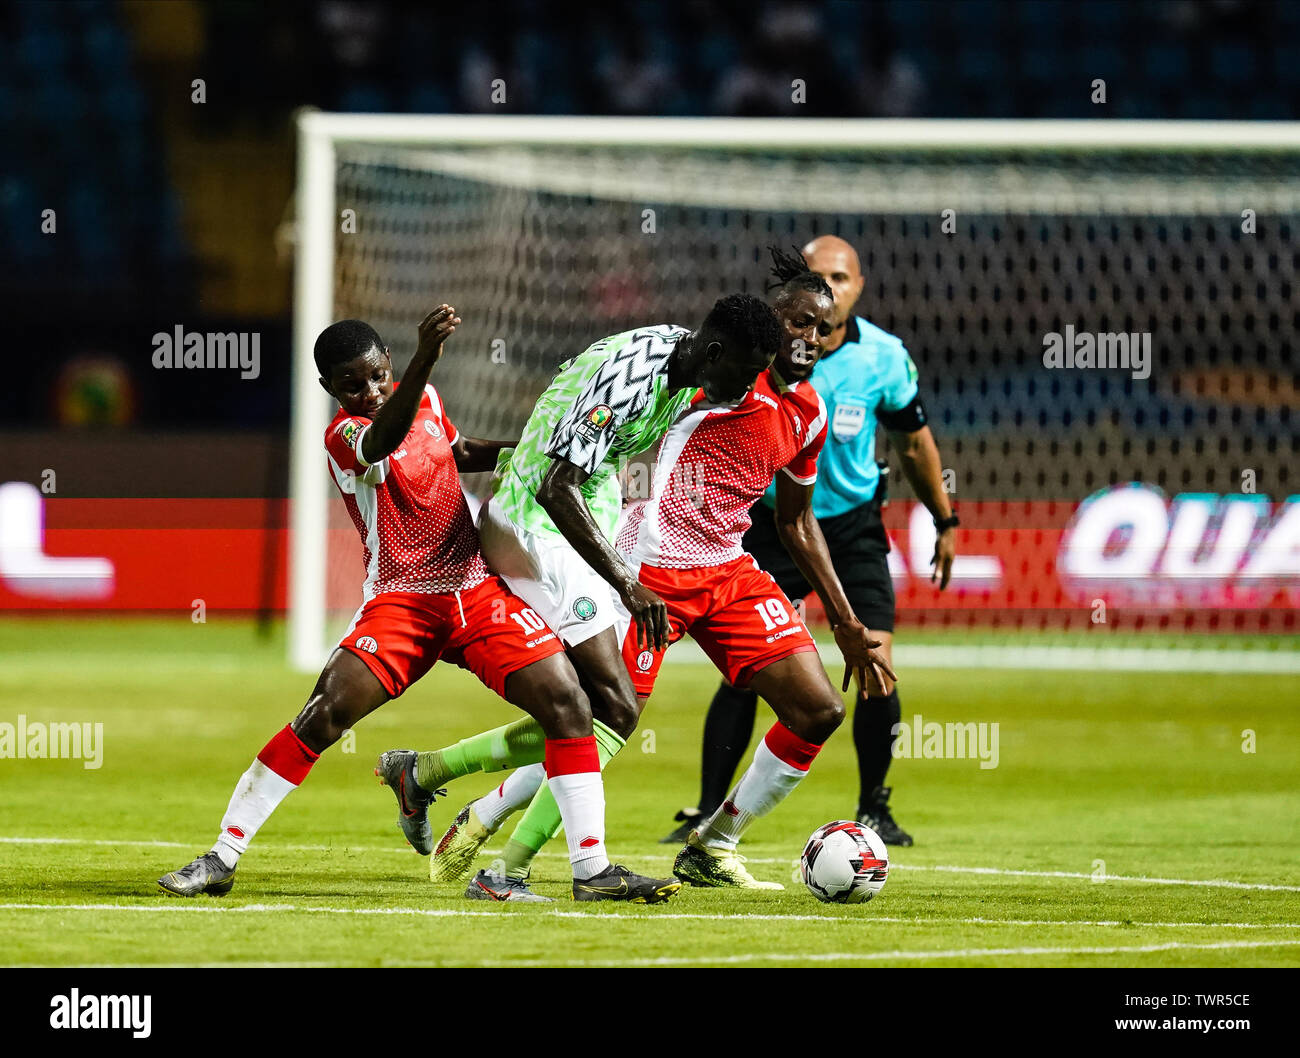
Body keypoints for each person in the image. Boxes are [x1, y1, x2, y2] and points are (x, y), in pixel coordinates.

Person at [395, 251, 895, 898]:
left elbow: (797, 521)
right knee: (605, 717)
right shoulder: (701, 381)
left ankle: (712, 846)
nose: (808, 340)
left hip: (727, 569)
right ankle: (498, 847)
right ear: (769, 324)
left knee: (819, 710)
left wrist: (848, 622)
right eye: (797, 324)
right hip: (645, 564)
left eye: (821, 331)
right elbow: (610, 455)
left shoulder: (806, 413)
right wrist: (625, 534)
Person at [158, 308, 676, 903]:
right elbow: (385, 439)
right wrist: (424, 357)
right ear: (330, 389)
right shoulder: (345, 437)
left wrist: (524, 453)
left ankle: (592, 872)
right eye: (354, 385)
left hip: (474, 592)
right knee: (325, 713)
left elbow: (456, 450)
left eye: (379, 376)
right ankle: (222, 856)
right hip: (401, 604)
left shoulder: (423, 399)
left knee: (569, 705)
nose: (371, 392)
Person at [666, 235, 957, 847]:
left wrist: (945, 519)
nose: (812, 331)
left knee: (874, 662)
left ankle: (873, 806)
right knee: (742, 675)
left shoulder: (881, 359)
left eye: (840, 280)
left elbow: (912, 440)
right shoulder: (747, 365)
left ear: (858, 287)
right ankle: (705, 810)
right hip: (764, 527)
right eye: (815, 283)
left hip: (849, 527)